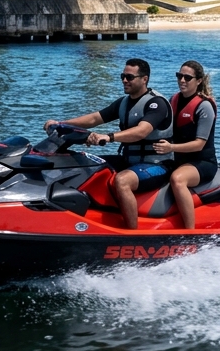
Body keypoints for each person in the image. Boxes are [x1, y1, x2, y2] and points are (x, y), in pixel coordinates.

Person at [44, 58, 173, 229]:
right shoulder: (124, 102)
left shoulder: (156, 104)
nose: (124, 80)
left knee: (122, 181)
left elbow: (142, 131)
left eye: (129, 77)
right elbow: (94, 118)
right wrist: (62, 124)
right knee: (85, 164)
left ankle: (132, 235)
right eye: (122, 76)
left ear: (144, 79)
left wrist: (109, 137)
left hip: (157, 165)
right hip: (129, 161)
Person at [151, 60, 217, 230]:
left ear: (199, 81)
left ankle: (190, 232)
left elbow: (199, 144)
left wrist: (170, 148)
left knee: (177, 180)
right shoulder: (173, 99)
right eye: (179, 76)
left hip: (202, 163)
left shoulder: (204, 106)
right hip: (178, 160)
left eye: (187, 77)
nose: (182, 80)